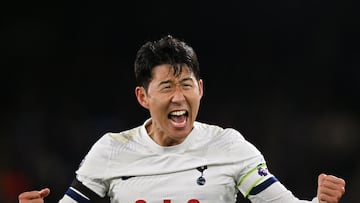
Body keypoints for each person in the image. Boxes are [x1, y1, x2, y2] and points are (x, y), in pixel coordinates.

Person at [18, 35, 346, 203]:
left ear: (200, 90)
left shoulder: (229, 146)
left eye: (186, 84)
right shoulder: (111, 151)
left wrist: (321, 201)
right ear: (143, 97)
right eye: (167, 87)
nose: (179, 97)